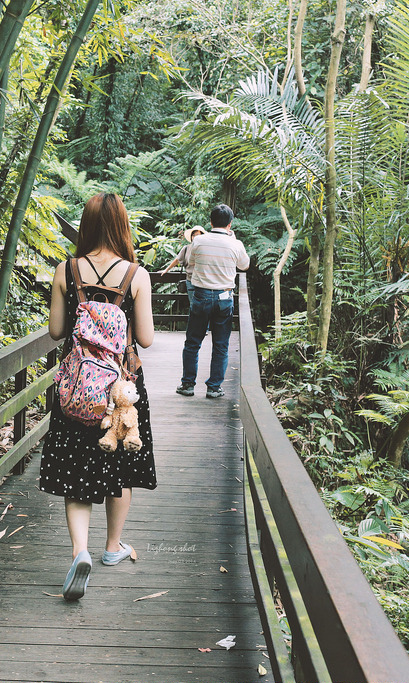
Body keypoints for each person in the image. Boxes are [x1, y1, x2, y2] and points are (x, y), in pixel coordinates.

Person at [41, 192, 156, 601]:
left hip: (77, 386)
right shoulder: (136, 275)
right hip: (120, 387)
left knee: (76, 468)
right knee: (120, 461)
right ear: (123, 225)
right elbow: (145, 338)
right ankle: (112, 548)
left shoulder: (65, 270)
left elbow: (56, 331)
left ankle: (79, 551)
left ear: (87, 225)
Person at [176, 203, 250, 399]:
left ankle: (188, 384)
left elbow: (191, 263)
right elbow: (245, 265)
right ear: (230, 224)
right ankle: (214, 387)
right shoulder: (236, 244)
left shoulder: (198, 242)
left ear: (210, 222)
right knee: (221, 344)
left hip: (201, 296)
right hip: (224, 298)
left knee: (193, 342)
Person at [157, 226, 204, 307]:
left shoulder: (206, 249)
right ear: (191, 237)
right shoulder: (187, 248)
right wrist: (166, 270)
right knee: (193, 306)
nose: (196, 237)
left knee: (204, 307)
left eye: (198, 235)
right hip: (191, 281)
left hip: (204, 282)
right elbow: (177, 260)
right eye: (194, 235)